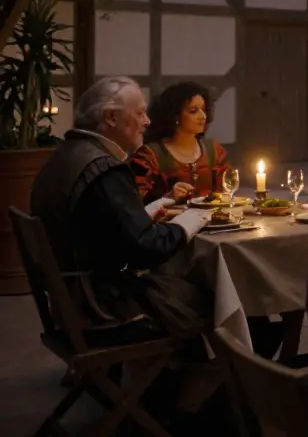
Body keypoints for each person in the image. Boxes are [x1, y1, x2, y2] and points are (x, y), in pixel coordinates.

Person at [29, 77, 212, 338]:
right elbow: (146, 248)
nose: (147, 122)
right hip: (101, 307)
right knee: (209, 292)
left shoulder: (65, 155)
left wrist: (152, 208)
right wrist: (192, 219)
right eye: (139, 113)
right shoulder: (105, 169)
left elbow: (97, 224)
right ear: (111, 118)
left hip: (69, 302)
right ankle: (207, 373)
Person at [132, 81, 231, 205]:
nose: (202, 116)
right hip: (167, 222)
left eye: (204, 110)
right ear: (176, 116)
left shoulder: (214, 151)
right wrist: (168, 197)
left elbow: (227, 192)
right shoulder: (150, 156)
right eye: (193, 111)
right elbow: (135, 204)